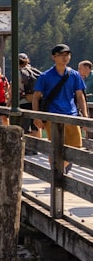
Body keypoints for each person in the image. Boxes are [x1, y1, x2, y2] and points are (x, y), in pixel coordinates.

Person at [31, 44, 89, 173]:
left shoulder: (74, 75)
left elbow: (80, 96)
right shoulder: (45, 76)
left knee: (76, 145)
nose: (65, 58)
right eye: (61, 55)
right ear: (54, 57)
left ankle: (58, 170)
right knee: (55, 146)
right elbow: (36, 97)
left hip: (71, 114)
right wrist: (37, 116)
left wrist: (85, 115)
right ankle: (58, 173)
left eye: (67, 55)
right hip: (52, 115)